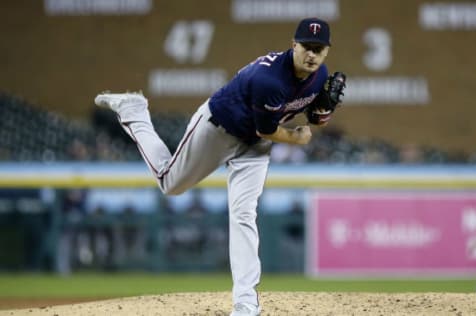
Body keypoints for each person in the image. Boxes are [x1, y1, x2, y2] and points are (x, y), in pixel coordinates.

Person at [94, 17, 346, 316]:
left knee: (243, 213)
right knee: (170, 183)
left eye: (319, 49)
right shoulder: (271, 80)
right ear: (294, 45)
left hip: (253, 146)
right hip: (218, 128)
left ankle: (246, 303)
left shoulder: (320, 75)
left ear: (327, 51)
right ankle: (135, 112)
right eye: (307, 46)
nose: (312, 54)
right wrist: (297, 137)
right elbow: (269, 130)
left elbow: (308, 111)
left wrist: (320, 113)